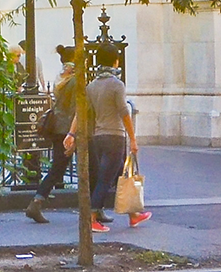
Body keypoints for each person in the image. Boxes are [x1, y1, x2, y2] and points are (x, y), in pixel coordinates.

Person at [64, 68, 151, 230]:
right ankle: (91, 218)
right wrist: (133, 139)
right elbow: (124, 112)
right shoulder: (117, 85)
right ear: (115, 62)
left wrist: (71, 132)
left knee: (119, 173)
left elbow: (81, 111)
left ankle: (133, 214)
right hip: (115, 136)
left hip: (99, 136)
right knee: (106, 178)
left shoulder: (92, 86)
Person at [27, 47, 77, 223]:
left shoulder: (60, 78)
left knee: (58, 168)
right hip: (69, 129)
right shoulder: (75, 80)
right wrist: (74, 132)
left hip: (58, 127)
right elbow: (75, 109)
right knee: (61, 168)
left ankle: (37, 201)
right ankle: (37, 202)